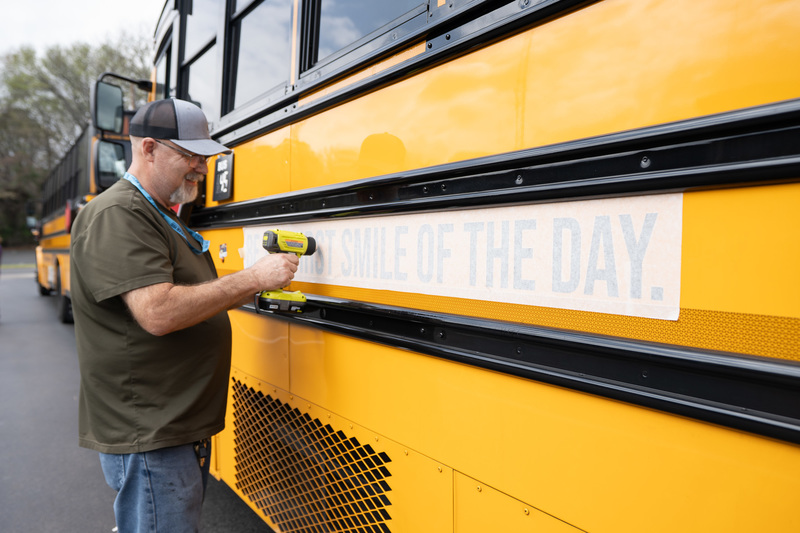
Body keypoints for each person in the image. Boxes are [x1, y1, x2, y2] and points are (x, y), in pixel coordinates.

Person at [69, 98, 299, 533]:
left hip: (171, 425)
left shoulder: (156, 213)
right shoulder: (120, 214)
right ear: (149, 148)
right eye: (190, 156)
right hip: (150, 432)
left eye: (205, 157)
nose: (202, 168)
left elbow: (189, 299)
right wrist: (252, 278)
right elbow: (158, 312)